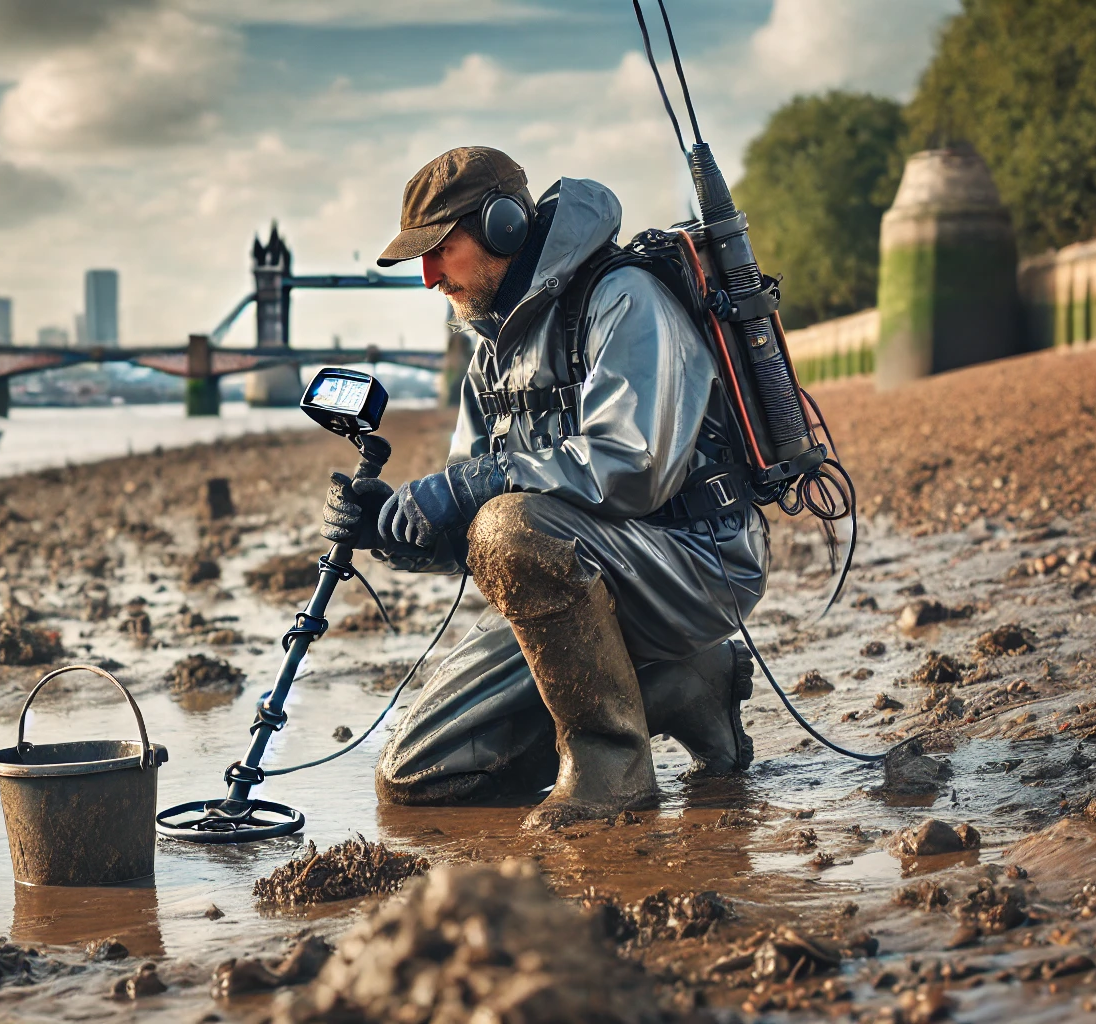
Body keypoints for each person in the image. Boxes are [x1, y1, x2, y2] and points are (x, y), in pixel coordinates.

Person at [321, 146, 769, 829]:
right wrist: (398, 530)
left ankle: (609, 770)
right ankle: (683, 685)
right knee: (419, 777)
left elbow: (636, 464)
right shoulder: (488, 353)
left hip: (697, 560)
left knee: (510, 524)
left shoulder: (622, 298)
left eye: (439, 250)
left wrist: (480, 483)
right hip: (581, 578)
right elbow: (484, 525)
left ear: (504, 226)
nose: (428, 277)